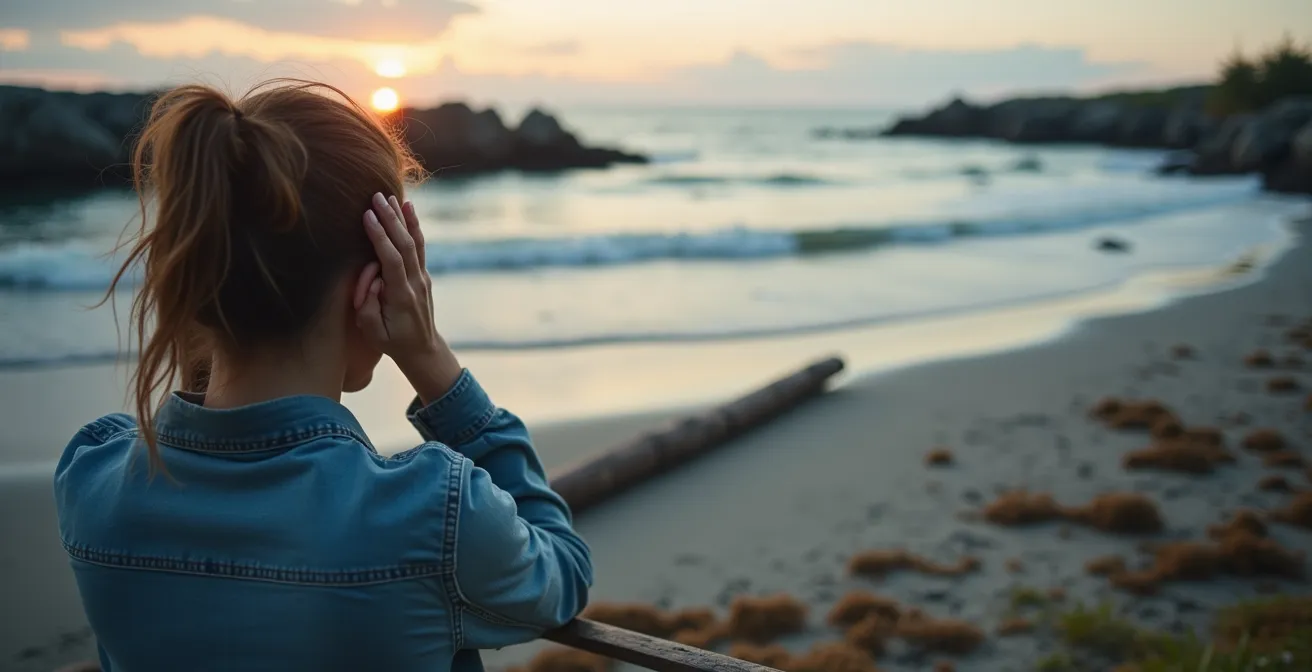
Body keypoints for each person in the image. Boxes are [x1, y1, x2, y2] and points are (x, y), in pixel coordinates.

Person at [52, 80, 592, 671]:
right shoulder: (433, 513)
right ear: (379, 284)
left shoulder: (94, 481)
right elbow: (561, 572)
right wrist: (429, 356)